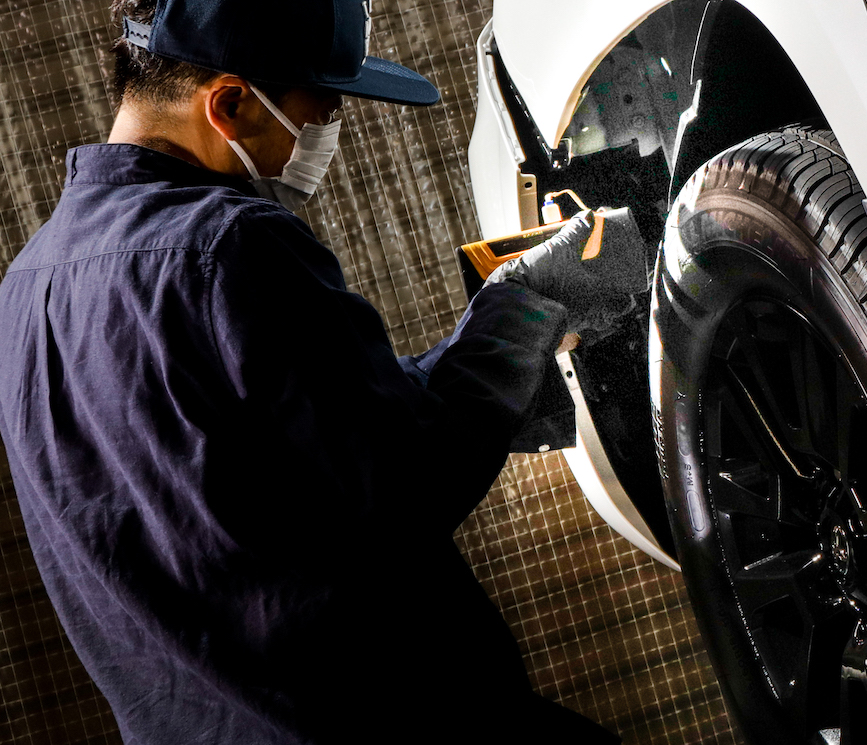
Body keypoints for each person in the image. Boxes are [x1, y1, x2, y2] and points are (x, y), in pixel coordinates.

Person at [0, 1, 635, 742]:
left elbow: (289, 453)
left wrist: (496, 355)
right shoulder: (230, 245)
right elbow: (407, 479)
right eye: (321, 113)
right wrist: (526, 302)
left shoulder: (26, 291)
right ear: (230, 104)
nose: (326, 135)